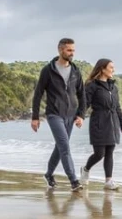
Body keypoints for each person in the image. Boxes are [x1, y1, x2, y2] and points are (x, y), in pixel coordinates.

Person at [31, 38, 86, 191]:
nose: (72, 53)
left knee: (60, 147)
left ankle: (49, 174)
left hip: (71, 115)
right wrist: (35, 117)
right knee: (64, 146)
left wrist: (81, 115)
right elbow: (38, 94)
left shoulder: (76, 71)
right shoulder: (48, 70)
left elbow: (82, 94)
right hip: (54, 114)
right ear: (60, 50)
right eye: (69, 50)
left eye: (73, 50)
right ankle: (74, 181)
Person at [79, 58, 122, 190]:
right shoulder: (92, 86)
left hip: (113, 122)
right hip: (99, 121)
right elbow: (85, 103)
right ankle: (85, 169)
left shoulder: (113, 87)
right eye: (111, 67)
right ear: (102, 69)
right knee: (99, 153)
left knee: (110, 152)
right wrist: (80, 116)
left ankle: (108, 181)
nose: (113, 70)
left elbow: (117, 107)